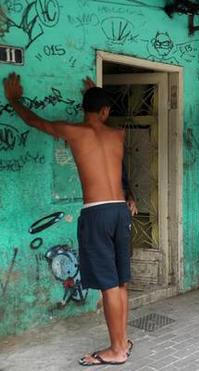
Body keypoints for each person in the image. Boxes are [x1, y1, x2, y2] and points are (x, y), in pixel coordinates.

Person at [3, 73, 135, 366]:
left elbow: (35, 121)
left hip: (97, 212)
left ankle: (116, 351)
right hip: (119, 211)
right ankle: (122, 342)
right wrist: (95, 97)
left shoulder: (75, 131)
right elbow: (118, 160)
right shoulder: (117, 135)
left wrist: (14, 100)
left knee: (108, 285)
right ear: (105, 111)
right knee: (121, 282)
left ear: (83, 109)